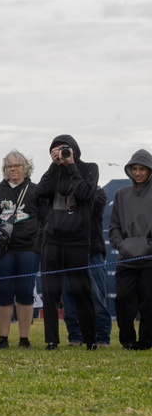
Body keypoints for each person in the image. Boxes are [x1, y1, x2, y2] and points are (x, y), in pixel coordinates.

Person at [35, 134, 100, 350]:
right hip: (52, 239)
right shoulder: (54, 172)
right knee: (50, 293)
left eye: (64, 148)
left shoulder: (90, 168)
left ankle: (90, 340)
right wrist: (54, 166)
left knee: (82, 291)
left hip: (78, 240)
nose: (61, 152)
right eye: (55, 149)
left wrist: (71, 165)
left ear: (74, 149)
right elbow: (40, 191)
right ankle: (51, 340)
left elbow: (84, 193)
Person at [0, 150, 41, 349]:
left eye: (17, 165)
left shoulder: (35, 190)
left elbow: (44, 218)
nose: (13, 169)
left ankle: (24, 338)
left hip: (28, 248)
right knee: (4, 291)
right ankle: (3, 337)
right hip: (4, 250)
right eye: (9, 166)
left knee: (25, 291)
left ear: (25, 168)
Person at [109, 149, 152, 350]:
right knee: (124, 300)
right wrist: (122, 245)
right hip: (126, 259)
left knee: (148, 302)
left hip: (150, 260)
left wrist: (148, 247)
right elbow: (114, 226)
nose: (137, 173)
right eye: (134, 168)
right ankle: (127, 341)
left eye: (142, 169)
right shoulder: (121, 194)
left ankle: (145, 342)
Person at [62, 187, 112, 347]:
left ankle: (102, 337)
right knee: (69, 298)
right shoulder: (62, 193)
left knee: (96, 297)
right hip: (68, 254)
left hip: (92, 253)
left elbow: (92, 207)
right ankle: (75, 337)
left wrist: (80, 189)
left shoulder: (98, 192)